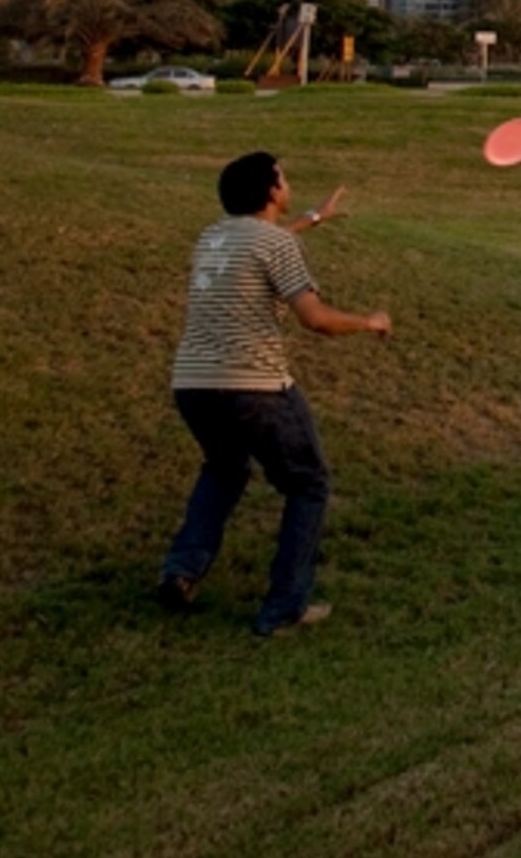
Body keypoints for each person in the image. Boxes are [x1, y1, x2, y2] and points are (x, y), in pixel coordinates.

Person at [157, 151, 393, 636]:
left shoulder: (214, 237)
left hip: (194, 385)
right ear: (270, 191)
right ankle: (285, 605)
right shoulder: (273, 246)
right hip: (254, 387)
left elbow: (264, 246)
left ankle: (181, 571)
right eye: (283, 176)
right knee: (308, 484)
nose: (288, 183)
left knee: (224, 469)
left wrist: (312, 219)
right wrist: (369, 322)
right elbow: (316, 320)